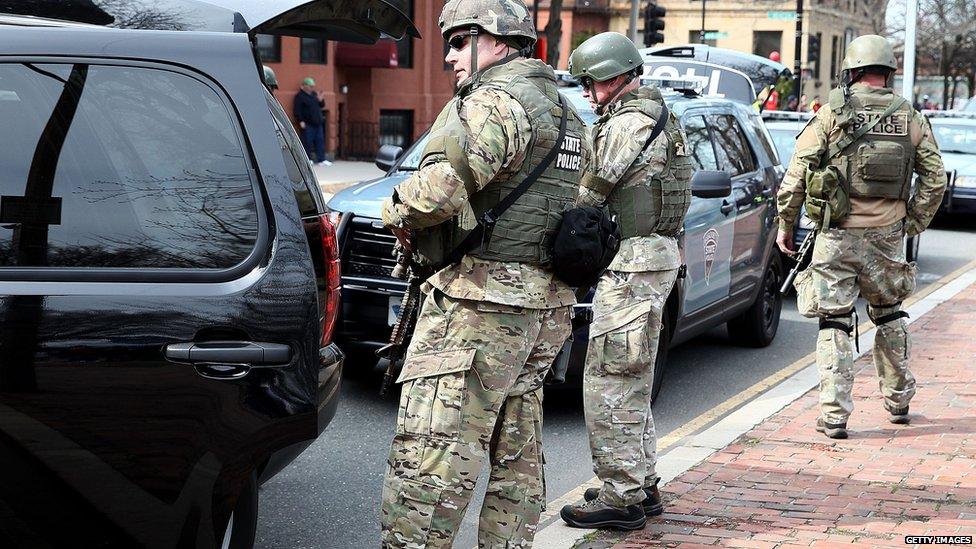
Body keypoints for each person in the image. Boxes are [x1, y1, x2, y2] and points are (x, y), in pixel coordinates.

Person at [378, 0, 590, 546]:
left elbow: (440, 191)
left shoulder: (497, 102)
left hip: (482, 306)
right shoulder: (568, 115)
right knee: (516, 449)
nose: (449, 57)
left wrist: (392, 208)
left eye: (457, 42)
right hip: (547, 306)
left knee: (435, 451)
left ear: (495, 41)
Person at [776, 34, 947, 439]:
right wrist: (912, 221)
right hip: (887, 237)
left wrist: (787, 222)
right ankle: (899, 399)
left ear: (850, 71)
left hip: (835, 236)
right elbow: (935, 179)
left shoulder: (830, 115)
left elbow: (797, 173)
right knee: (890, 315)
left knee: (833, 322)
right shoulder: (910, 117)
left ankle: (834, 415)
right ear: (888, 72)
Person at [559, 32, 693, 530]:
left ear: (615, 77)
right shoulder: (661, 116)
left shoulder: (629, 123)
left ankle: (620, 496)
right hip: (654, 258)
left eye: (591, 83)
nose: (589, 94)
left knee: (608, 378)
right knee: (633, 376)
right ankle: (643, 481)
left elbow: (589, 192)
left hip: (633, 264)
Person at [294, 77, 329, 165]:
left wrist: (321, 100)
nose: (312, 88)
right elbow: (297, 110)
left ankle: (321, 159)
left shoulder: (314, 94)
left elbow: (321, 105)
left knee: (320, 141)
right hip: (307, 123)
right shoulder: (300, 96)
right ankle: (308, 159)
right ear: (304, 86)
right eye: (310, 86)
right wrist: (300, 120)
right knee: (307, 142)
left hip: (318, 123)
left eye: (312, 86)